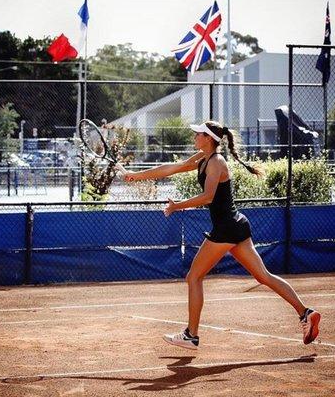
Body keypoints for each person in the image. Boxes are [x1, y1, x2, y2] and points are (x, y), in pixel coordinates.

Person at [122, 120, 321, 350]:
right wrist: (135, 176)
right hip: (235, 226)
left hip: (227, 228)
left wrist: (177, 206)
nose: (194, 136)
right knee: (263, 276)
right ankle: (306, 312)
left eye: (198, 134)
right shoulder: (202, 159)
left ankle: (191, 335)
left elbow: (208, 197)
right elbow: (170, 169)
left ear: (208, 139)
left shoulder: (216, 162)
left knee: (194, 277)